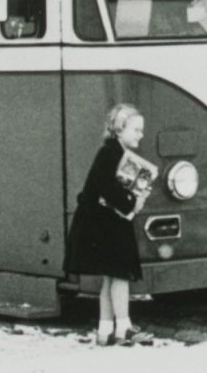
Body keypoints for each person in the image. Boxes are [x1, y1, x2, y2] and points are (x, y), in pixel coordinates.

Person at [65, 103, 152, 347]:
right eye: (136, 129)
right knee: (120, 275)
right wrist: (135, 200)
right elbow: (110, 190)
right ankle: (123, 328)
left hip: (102, 223)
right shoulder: (110, 154)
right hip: (106, 226)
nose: (140, 134)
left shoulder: (113, 153)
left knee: (111, 278)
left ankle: (105, 330)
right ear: (119, 129)